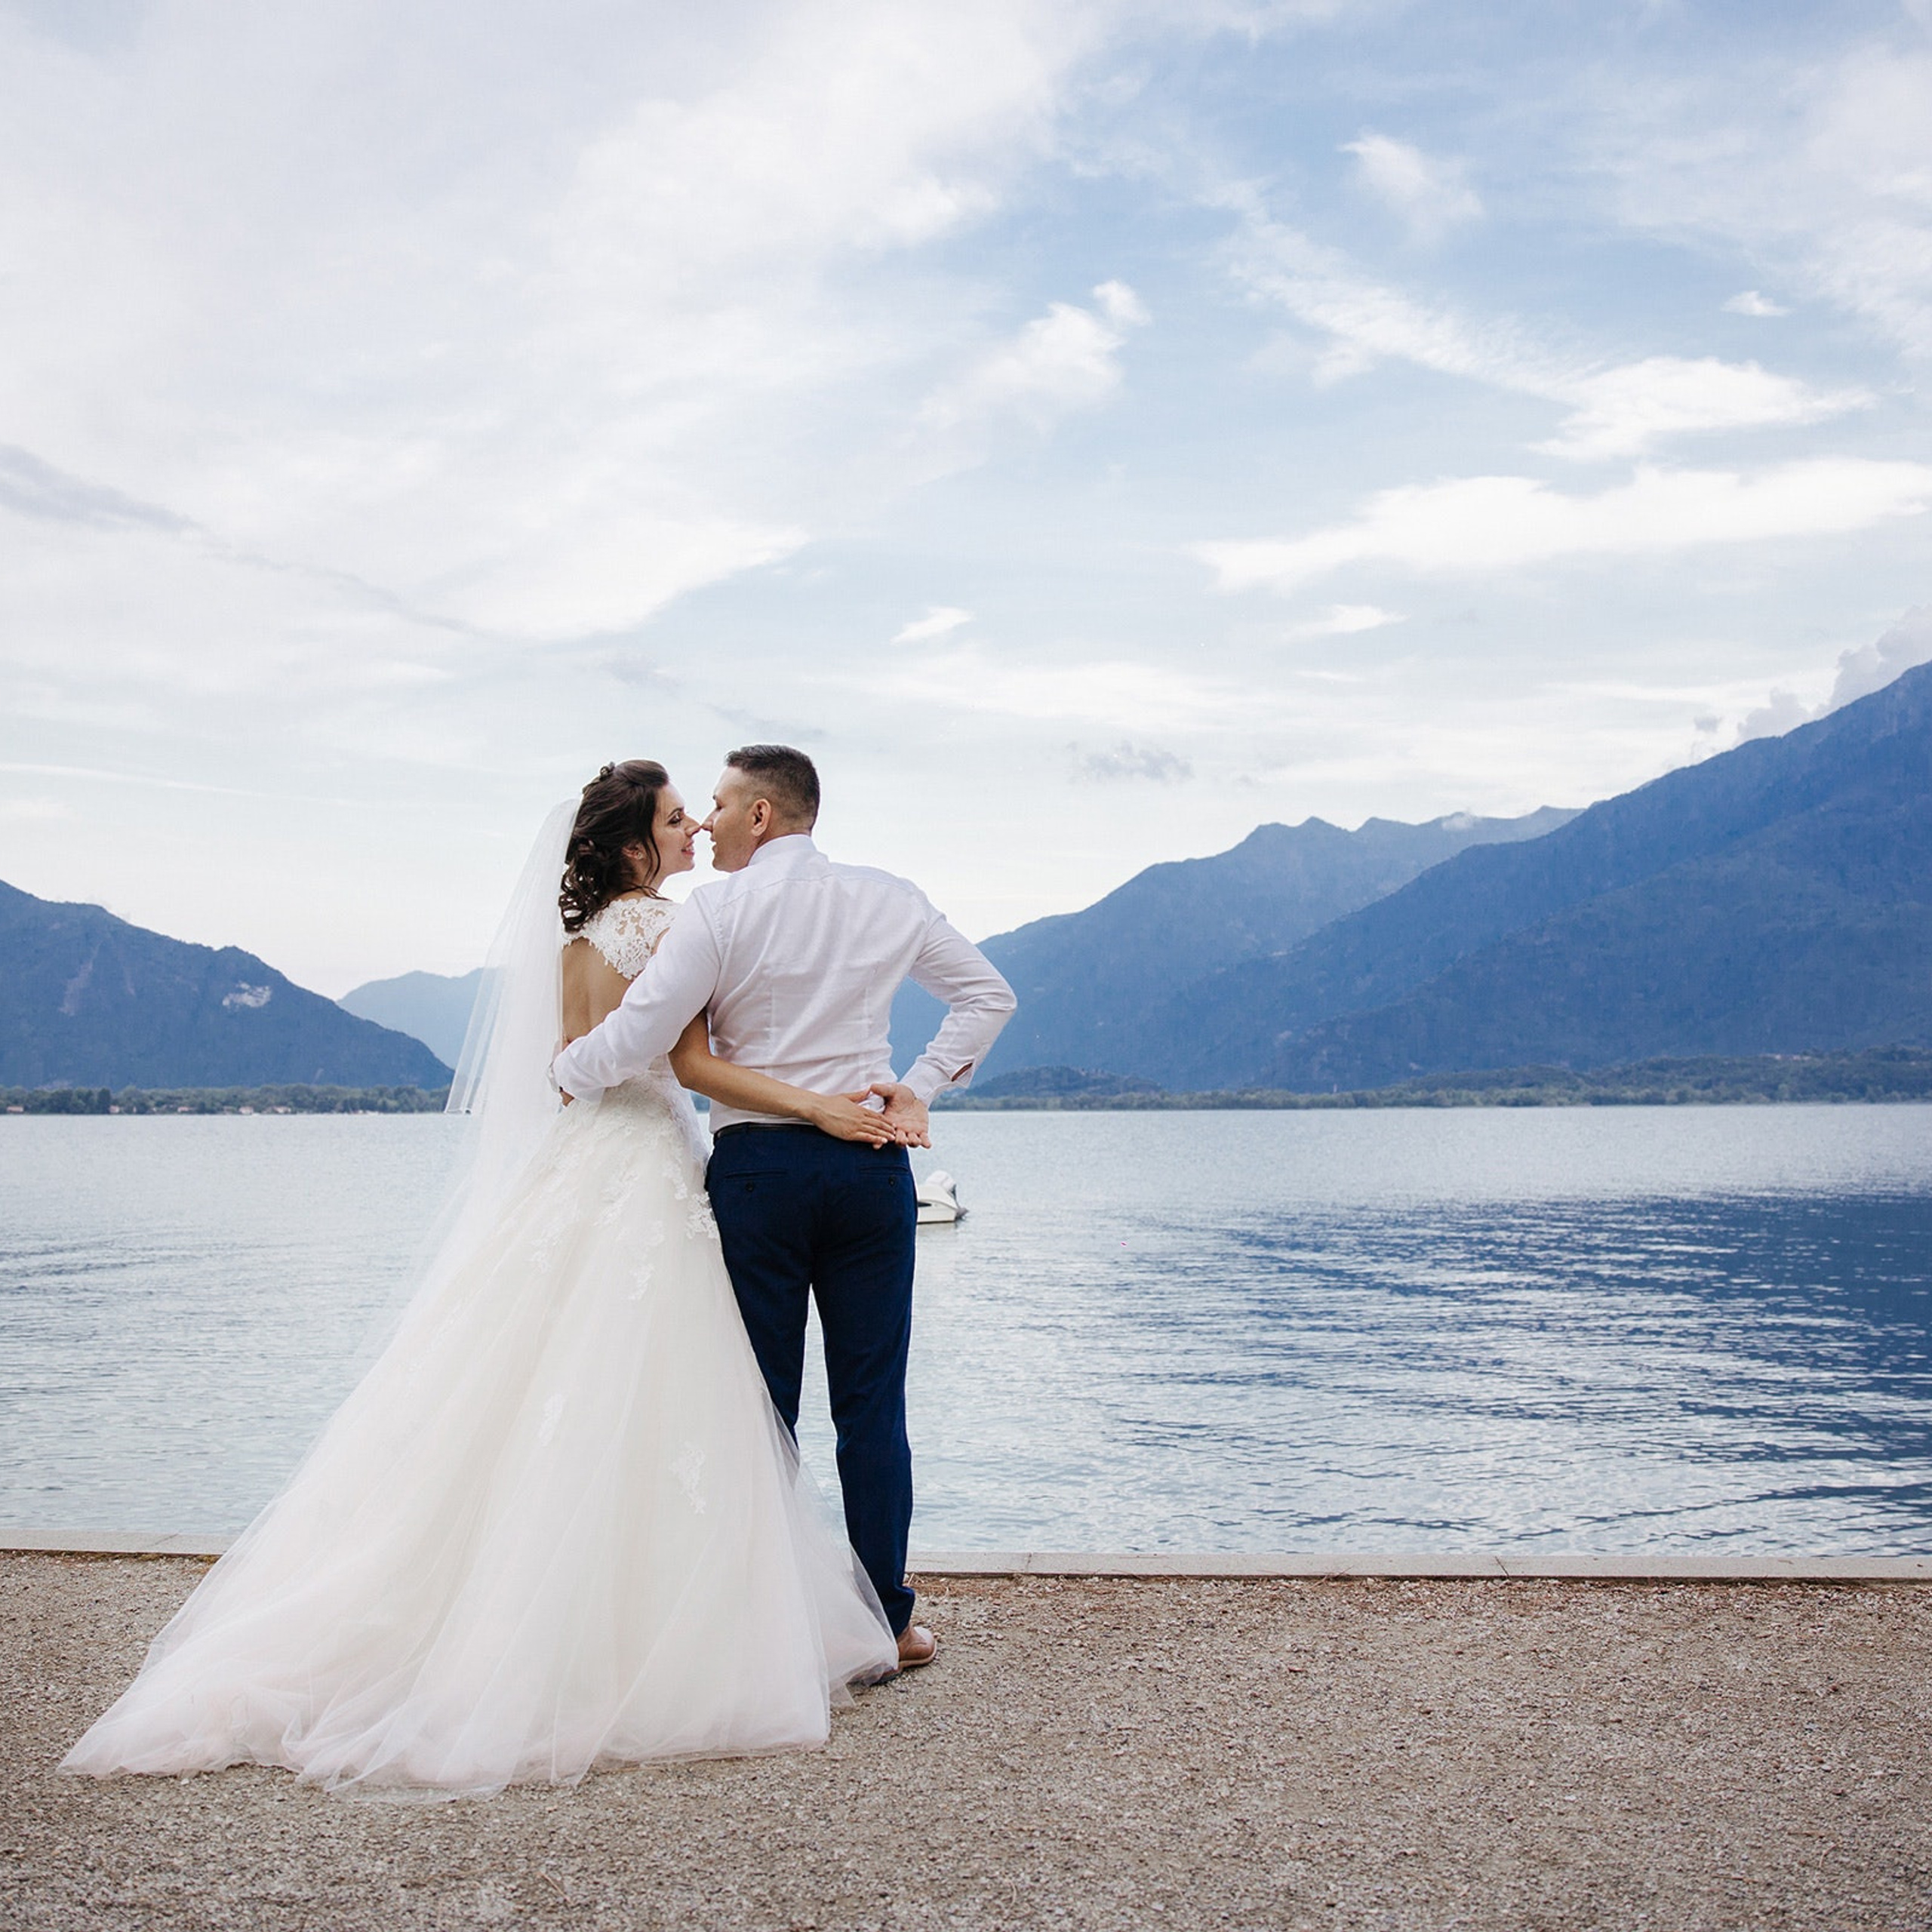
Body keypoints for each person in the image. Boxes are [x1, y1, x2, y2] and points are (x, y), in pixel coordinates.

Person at [63, 760, 901, 1796]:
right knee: (657, 1385)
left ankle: (496, 1600)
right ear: (636, 843)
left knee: (537, 1375)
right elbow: (684, 1063)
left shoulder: (572, 945)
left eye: (699, 814)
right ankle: (660, 1621)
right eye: (678, 819)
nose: (695, 831)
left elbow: (568, 1065)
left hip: (583, 1161)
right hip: (648, 1166)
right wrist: (819, 1105)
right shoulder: (670, 932)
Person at [552, 744, 1016, 1667]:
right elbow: (986, 995)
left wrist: (568, 1070)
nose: (709, 822)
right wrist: (916, 1086)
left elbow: (646, 1034)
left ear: (759, 815)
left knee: (758, 1405)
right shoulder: (891, 896)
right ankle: (888, 1620)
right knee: (873, 1407)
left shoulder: (718, 909)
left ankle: (758, 1619)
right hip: (870, 1170)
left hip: (758, 1174)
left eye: (719, 804)